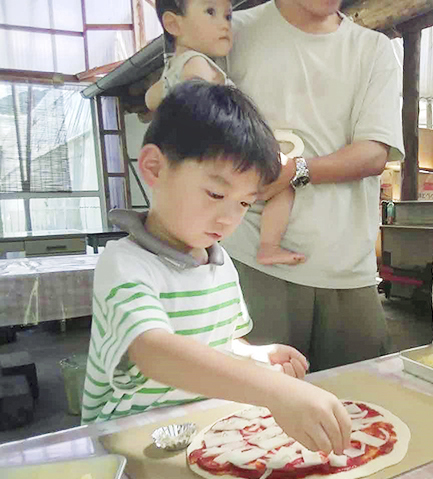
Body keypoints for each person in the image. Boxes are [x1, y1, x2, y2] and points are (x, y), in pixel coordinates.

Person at [81, 82, 350, 455]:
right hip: (131, 447)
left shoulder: (219, 264)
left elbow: (218, 345)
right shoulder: (125, 263)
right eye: (215, 194)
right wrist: (277, 390)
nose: (228, 218)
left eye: (243, 203)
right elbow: (155, 351)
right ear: (154, 168)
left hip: (201, 436)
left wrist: (256, 355)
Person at [223, 0, 404, 371]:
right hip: (250, 259)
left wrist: (295, 171)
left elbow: (373, 154)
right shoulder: (232, 30)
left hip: (347, 266)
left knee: (363, 406)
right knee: (256, 414)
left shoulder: (372, 48)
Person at [147, 0, 306, 267]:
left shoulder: (172, 69)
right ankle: (269, 245)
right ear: (173, 24)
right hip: (225, 150)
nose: (224, 24)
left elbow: (150, 99)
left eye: (228, 16)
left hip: (201, 155)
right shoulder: (197, 65)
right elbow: (199, 108)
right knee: (285, 182)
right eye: (210, 12)